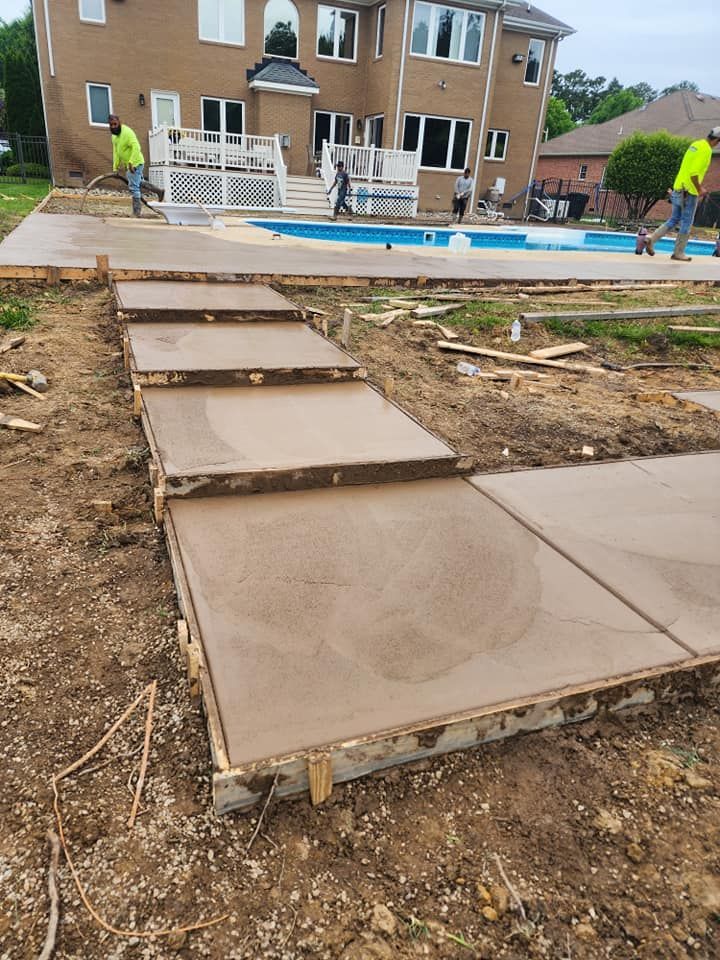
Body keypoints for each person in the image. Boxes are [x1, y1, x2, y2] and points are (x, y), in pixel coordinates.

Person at [646, 126, 720, 261]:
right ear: (717, 140)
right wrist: (699, 189)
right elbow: (694, 174)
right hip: (689, 192)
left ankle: (652, 239)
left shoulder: (695, 144)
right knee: (687, 222)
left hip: (678, 187)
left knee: (674, 218)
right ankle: (678, 252)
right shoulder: (706, 150)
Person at [109, 113, 148, 217]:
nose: (113, 126)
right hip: (129, 164)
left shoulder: (127, 132)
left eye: (115, 124)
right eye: (111, 125)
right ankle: (159, 191)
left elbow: (137, 147)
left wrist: (131, 162)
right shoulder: (114, 137)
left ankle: (136, 212)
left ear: (119, 123)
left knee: (133, 187)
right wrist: (115, 167)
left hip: (136, 163)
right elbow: (116, 152)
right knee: (138, 183)